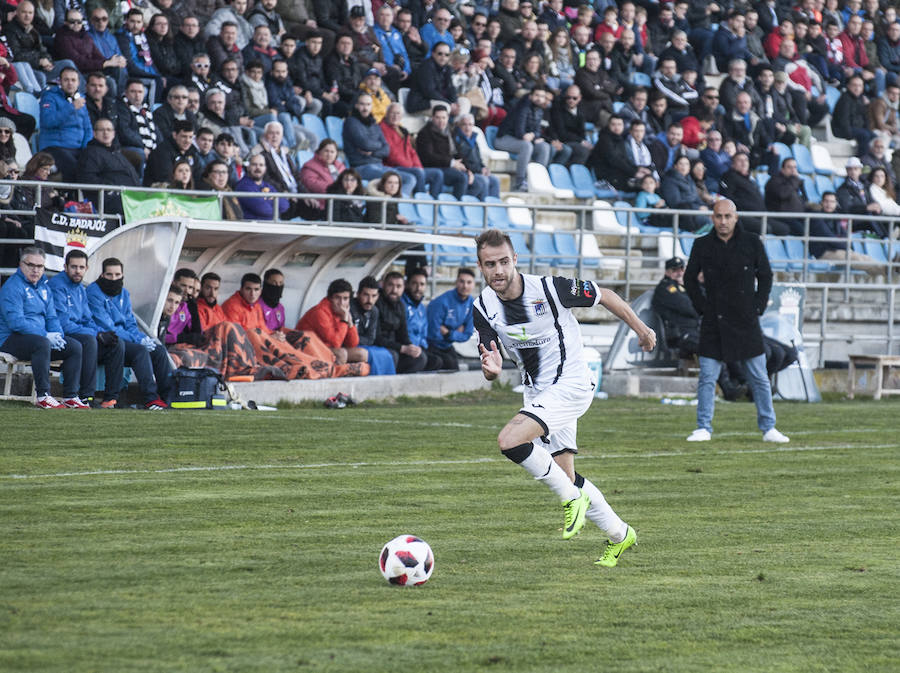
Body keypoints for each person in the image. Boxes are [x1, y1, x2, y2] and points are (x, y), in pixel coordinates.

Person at [473, 228, 656, 566]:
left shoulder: (549, 288)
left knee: (510, 440)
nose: (497, 271)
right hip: (538, 392)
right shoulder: (483, 307)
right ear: (480, 267)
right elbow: (490, 359)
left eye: (502, 262)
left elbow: (607, 295)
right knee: (564, 471)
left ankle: (572, 499)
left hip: (572, 383)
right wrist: (492, 369)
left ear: (515, 260)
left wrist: (642, 330)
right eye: (489, 264)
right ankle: (620, 534)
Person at [683, 199, 789, 444]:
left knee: (759, 377)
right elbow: (689, 279)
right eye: (718, 216)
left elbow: (765, 276)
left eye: (727, 216)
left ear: (735, 217)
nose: (723, 221)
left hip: (745, 319)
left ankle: (769, 427)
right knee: (707, 377)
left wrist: (758, 306)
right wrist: (702, 307)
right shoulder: (702, 244)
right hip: (714, 320)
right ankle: (703, 427)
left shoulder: (752, 242)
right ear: (712, 218)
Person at [0, 247, 87, 409]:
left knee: (74, 346)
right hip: (10, 339)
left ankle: (70, 396)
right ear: (21, 265)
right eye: (30, 265)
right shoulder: (12, 287)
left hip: (39, 339)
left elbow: (52, 317)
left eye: (40, 266)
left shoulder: (44, 287)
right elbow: (16, 322)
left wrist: (58, 335)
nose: (35, 270)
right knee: (42, 343)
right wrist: (46, 335)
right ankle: (43, 395)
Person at [651, 256, 746, 400]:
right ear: (667, 272)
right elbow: (693, 309)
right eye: (675, 270)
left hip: (696, 333)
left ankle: (744, 383)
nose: (679, 272)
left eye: (681, 269)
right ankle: (728, 388)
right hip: (680, 337)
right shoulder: (666, 289)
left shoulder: (685, 287)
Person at [86, 257, 172, 409]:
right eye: (109, 275)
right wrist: (137, 340)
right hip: (106, 340)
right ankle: (150, 398)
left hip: (125, 339)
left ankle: (168, 398)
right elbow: (107, 326)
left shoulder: (124, 294)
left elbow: (131, 324)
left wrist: (142, 337)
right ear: (102, 275)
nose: (114, 279)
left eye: (117, 275)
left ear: (122, 275)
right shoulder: (93, 292)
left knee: (159, 350)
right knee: (140, 351)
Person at [48, 249, 126, 407]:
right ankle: (86, 396)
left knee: (116, 344)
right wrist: (96, 334)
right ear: (65, 267)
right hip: (61, 335)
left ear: (87, 269)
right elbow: (63, 323)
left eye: (81, 267)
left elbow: (87, 319)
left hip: (80, 333)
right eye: (74, 267)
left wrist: (101, 332)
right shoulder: (57, 285)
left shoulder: (80, 289)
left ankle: (110, 398)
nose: (77, 271)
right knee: (90, 341)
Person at [38, 67, 93, 182]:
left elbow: (88, 128)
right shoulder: (49, 96)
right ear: (60, 82)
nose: (70, 83)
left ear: (78, 83)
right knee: (74, 167)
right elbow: (48, 121)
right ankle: (71, 198)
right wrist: (71, 107)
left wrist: (86, 149)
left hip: (78, 148)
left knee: (94, 164)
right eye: (66, 80)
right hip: (54, 146)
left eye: (73, 80)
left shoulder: (81, 99)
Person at [376, 270, 429, 373]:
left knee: (420, 357)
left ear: (404, 288)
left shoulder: (400, 305)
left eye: (398, 286)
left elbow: (403, 334)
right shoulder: (377, 303)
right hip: (381, 346)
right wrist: (402, 348)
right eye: (390, 285)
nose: (394, 290)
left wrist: (411, 347)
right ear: (383, 285)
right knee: (393, 356)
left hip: (396, 347)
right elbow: (377, 338)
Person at [426, 268, 475, 371]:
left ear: (473, 285)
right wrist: (456, 333)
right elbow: (433, 333)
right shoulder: (441, 302)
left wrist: (449, 333)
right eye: (462, 281)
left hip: (446, 344)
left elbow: (467, 334)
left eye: (469, 282)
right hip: (430, 345)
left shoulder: (472, 304)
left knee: (454, 367)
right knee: (449, 364)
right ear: (456, 282)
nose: (465, 286)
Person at [350, 275, 396, 376]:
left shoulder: (374, 311)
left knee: (389, 354)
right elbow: (348, 339)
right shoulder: (350, 308)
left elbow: (371, 338)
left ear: (378, 296)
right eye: (366, 295)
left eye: (373, 296)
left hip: (366, 345)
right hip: (349, 346)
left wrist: (358, 338)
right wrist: (359, 339)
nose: (370, 300)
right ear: (358, 294)